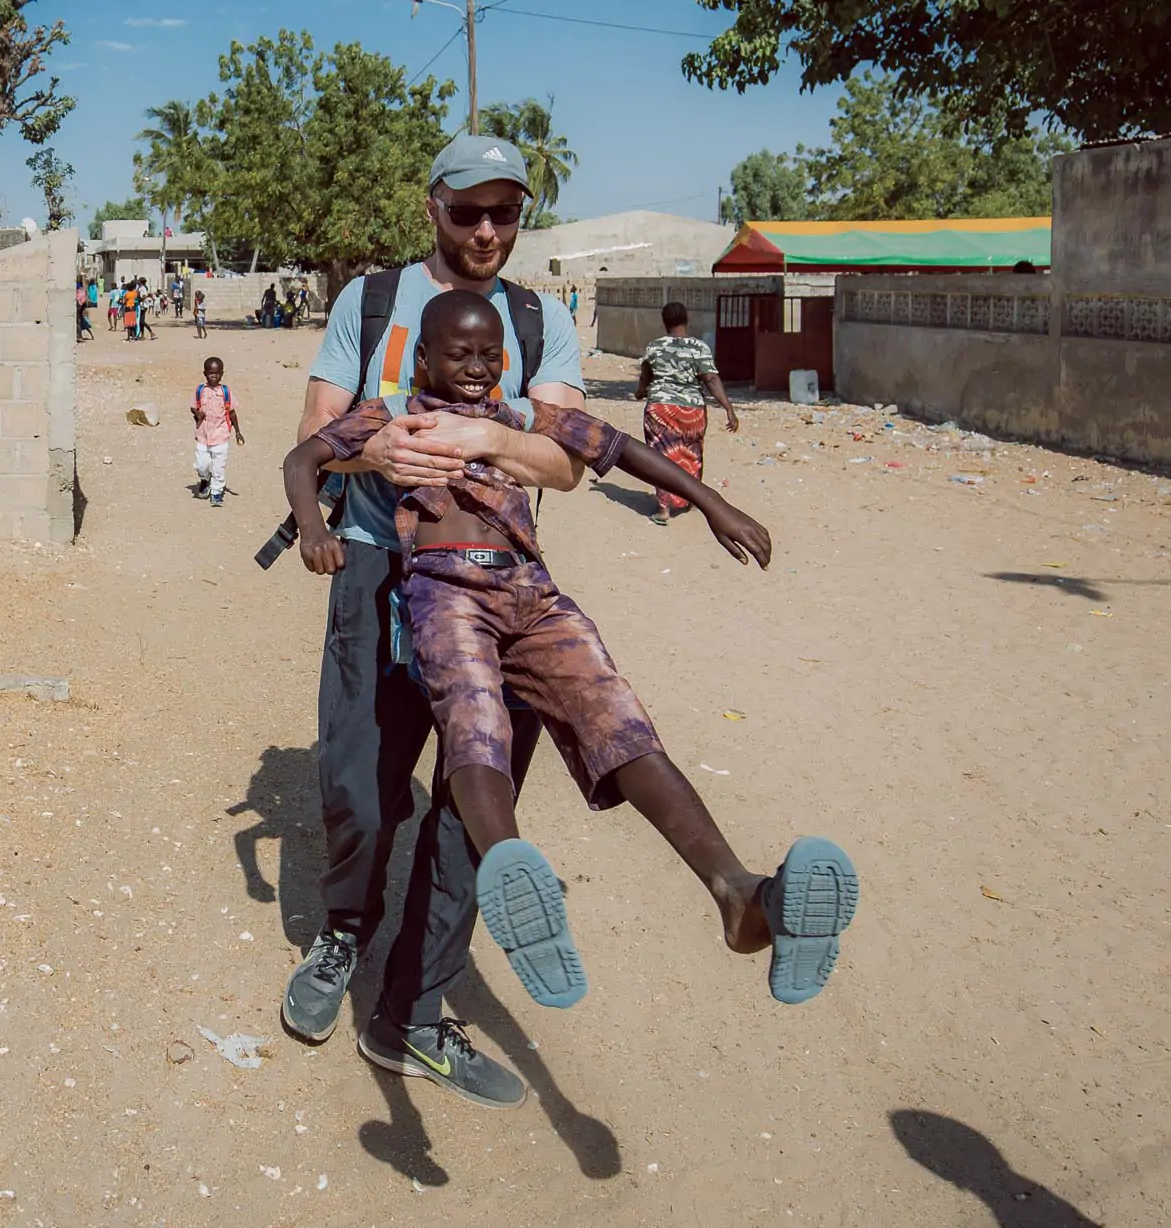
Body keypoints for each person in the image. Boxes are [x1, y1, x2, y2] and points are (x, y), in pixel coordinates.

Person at [284, 290, 859, 1010]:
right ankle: (508, 870)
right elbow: (305, 457)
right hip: (444, 590)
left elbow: (617, 448)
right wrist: (314, 528)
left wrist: (713, 504)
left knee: (615, 717)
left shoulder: (522, 416)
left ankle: (739, 894)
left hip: (531, 588)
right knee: (475, 720)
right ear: (423, 358)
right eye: (457, 355)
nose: (474, 368)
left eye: (489, 357)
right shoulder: (396, 412)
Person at [285, 134, 592, 1109]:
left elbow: (567, 460)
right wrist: (378, 456)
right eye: (469, 210)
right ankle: (343, 929)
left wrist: (488, 436)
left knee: (469, 802)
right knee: (363, 782)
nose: (489, 229)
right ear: (434, 208)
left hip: (494, 580)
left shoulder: (543, 320)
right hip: (377, 567)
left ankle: (412, 1011)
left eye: (507, 211)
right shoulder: (370, 304)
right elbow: (312, 442)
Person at [634, 301, 739, 525]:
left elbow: (645, 377)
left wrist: (640, 392)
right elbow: (711, 379)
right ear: (686, 319)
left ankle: (663, 509)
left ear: (664, 322)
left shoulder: (654, 346)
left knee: (660, 456)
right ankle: (690, 499)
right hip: (692, 410)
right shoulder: (699, 347)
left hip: (661, 408)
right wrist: (728, 408)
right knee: (692, 453)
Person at [191, 357, 244, 507]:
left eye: (217, 373)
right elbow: (192, 406)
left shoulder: (226, 392)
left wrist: (238, 432)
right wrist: (197, 413)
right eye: (210, 373)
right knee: (201, 464)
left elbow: (232, 413)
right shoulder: (200, 391)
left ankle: (217, 491)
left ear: (222, 374)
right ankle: (205, 479)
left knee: (219, 466)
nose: (213, 376)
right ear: (205, 373)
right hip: (203, 435)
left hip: (221, 435)